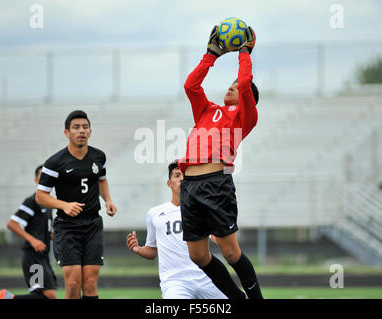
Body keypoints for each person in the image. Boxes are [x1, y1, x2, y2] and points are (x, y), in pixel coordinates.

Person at [177, 25, 263, 299]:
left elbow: (246, 83)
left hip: (216, 184)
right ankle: (236, 298)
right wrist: (211, 55)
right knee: (198, 255)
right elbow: (190, 85)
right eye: (232, 84)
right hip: (190, 186)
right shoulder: (207, 109)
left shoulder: (243, 117)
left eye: (237, 86)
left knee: (230, 252)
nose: (233, 85)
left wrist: (244, 52)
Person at [35, 110, 117, 299]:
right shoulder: (55, 162)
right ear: (67, 132)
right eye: (76, 127)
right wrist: (64, 205)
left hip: (93, 225)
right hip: (67, 227)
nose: (81, 130)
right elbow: (41, 196)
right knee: (73, 283)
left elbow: (102, 180)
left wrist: (109, 200)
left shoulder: (99, 157)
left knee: (89, 283)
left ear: (90, 131)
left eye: (85, 127)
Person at [126, 160, 226, 299]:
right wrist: (138, 249)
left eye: (185, 176)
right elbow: (152, 251)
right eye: (177, 175)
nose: (181, 180)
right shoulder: (155, 213)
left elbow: (219, 238)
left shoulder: (203, 209)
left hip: (206, 277)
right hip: (176, 282)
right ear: (169, 183)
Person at [0, 165, 57, 299]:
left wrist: (53, 235)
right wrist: (33, 240)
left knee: (43, 295)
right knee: (49, 295)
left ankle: (8, 298)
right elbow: (12, 224)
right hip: (33, 255)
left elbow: (43, 229)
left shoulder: (49, 204)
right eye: (41, 177)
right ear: (36, 180)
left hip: (43, 256)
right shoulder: (32, 201)